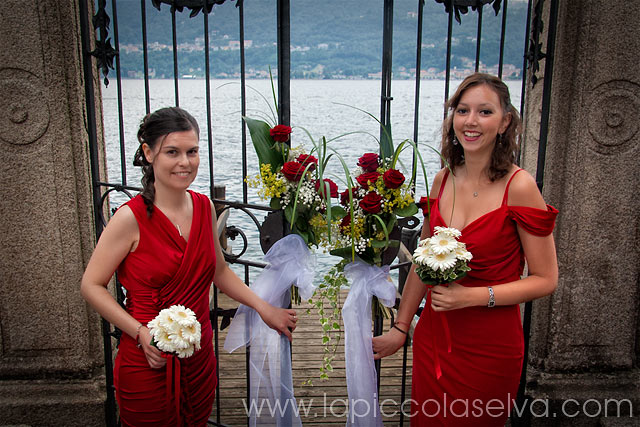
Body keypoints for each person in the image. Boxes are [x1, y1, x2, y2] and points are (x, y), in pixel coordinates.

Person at [81, 107, 298, 426]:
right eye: (173, 152)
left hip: (199, 357)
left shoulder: (204, 206)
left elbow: (219, 271)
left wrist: (263, 308)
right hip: (147, 359)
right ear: (148, 152)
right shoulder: (129, 219)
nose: (185, 162)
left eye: (192, 151)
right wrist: (140, 333)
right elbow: (91, 285)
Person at [372, 73, 558, 426]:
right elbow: (422, 265)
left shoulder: (520, 187)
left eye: (485, 112)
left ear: (505, 122)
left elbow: (546, 279)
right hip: (434, 338)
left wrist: (472, 297)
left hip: (490, 347)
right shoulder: (443, 179)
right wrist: (400, 327)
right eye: (463, 110)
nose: (471, 121)